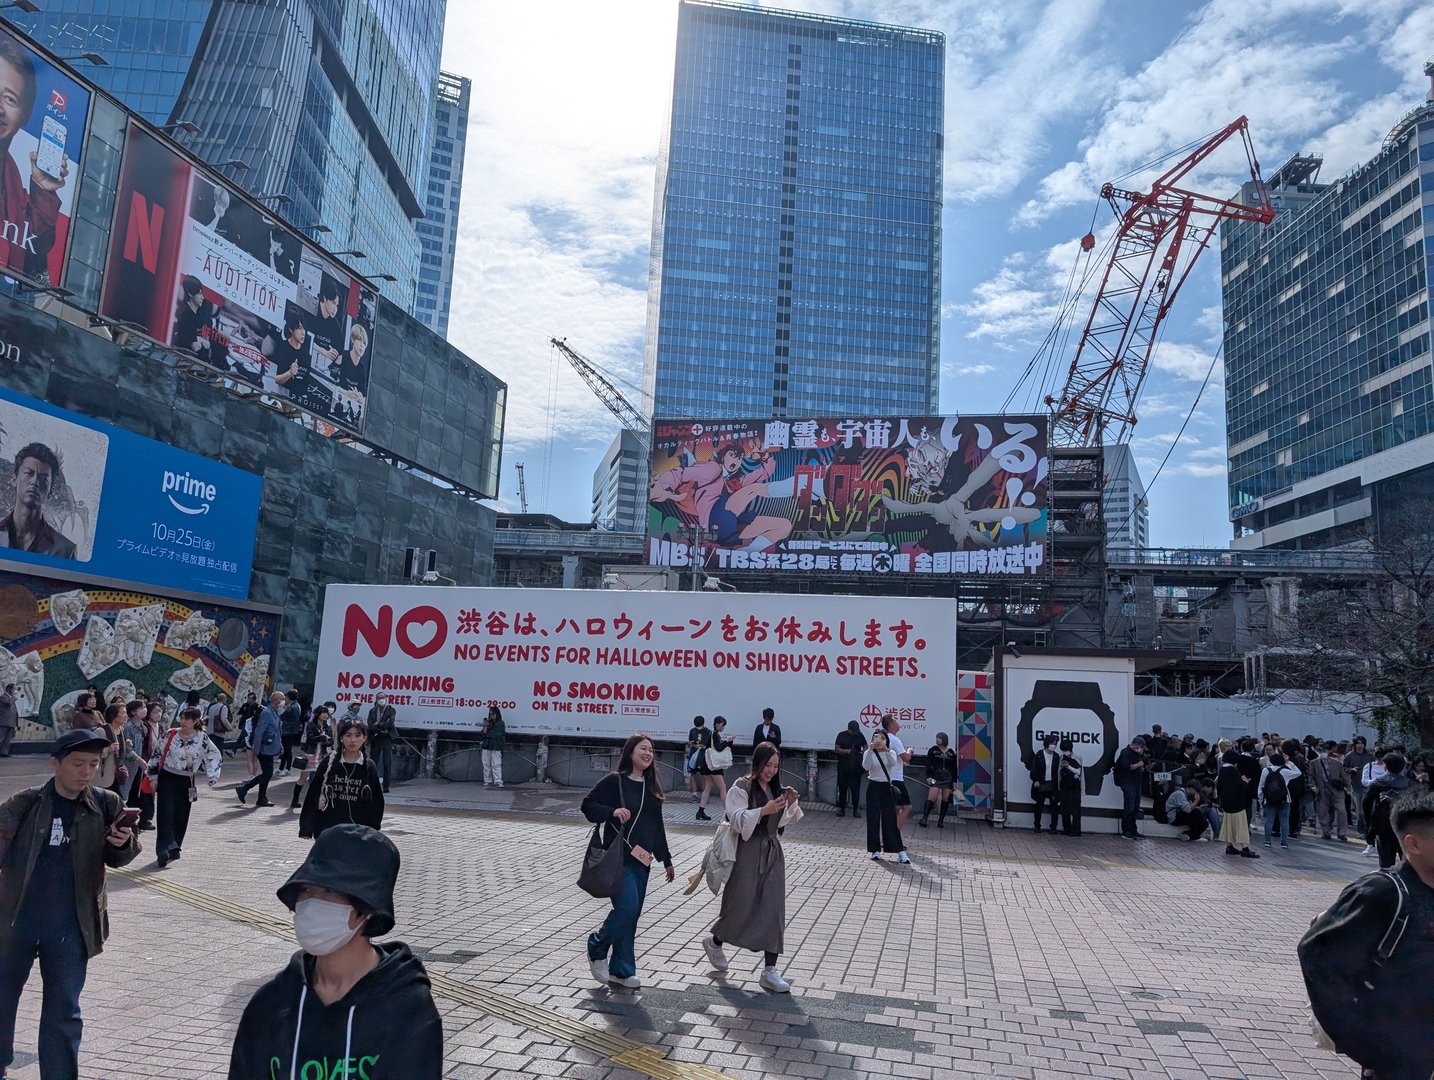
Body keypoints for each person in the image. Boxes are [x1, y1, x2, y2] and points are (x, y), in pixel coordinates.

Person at [227, 824, 443, 1079]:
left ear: (367, 908)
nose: (312, 903)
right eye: (307, 890)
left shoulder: (407, 1010)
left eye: (330, 892)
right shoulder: (271, 1003)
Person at [0, 730, 139, 1079]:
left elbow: (121, 857)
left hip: (72, 926)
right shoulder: (25, 803)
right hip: (15, 922)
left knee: (64, 1011)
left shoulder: (106, 803)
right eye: (78, 764)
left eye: (93, 764)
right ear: (55, 764)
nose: (86, 771)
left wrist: (122, 842)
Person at [1299, 791, 1434, 1080]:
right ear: (1414, 843)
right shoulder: (1382, 892)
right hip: (1401, 1056)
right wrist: (1366, 1043)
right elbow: (1319, 957)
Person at [703, 741, 803, 993]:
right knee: (740, 905)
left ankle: (770, 970)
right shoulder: (742, 786)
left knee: (773, 909)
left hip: (771, 852)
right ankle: (715, 941)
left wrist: (788, 803)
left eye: (776, 766)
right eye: (768, 764)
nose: (771, 770)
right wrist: (762, 810)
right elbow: (735, 819)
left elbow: (781, 823)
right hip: (746, 853)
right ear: (758, 763)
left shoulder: (776, 788)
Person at [580, 734, 674, 990]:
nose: (648, 753)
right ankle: (596, 946)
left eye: (651, 750)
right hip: (617, 857)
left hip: (641, 861)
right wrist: (612, 812)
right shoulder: (614, 781)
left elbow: (657, 826)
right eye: (643, 748)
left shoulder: (652, 788)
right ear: (630, 752)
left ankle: (621, 970)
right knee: (627, 909)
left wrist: (666, 859)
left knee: (632, 916)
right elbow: (587, 805)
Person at [0, 37, 66, 279]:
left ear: (25, 114)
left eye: (10, 99)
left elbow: (32, 258)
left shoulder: (11, 175)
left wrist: (43, 190)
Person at [146, 706, 221, 868]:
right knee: (165, 813)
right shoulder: (170, 734)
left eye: (187, 718)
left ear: (195, 721)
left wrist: (212, 774)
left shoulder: (202, 738)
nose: (183, 721)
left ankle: (175, 846)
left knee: (181, 815)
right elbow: (156, 754)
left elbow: (214, 755)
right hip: (167, 777)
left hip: (187, 780)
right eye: (182, 718)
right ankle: (163, 849)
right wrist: (152, 776)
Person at [299, 718, 384, 840]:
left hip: (358, 833)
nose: (353, 740)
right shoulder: (329, 763)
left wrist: (373, 830)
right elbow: (313, 794)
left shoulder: (369, 767)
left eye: (357, 735)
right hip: (328, 830)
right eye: (348, 735)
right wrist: (306, 828)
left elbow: (376, 802)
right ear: (341, 738)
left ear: (364, 738)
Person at [0, 443, 77, 559]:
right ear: (15, 479)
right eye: (29, 473)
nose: (35, 482)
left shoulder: (66, 550)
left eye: (43, 478)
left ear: (50, 489)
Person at [1363, 751, 1414, 869]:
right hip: (1404, 826)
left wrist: (1369, 822)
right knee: (1407, 860)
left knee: (1386, 861)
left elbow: (1367, 804)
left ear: (1385, 765)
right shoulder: (1410, 784)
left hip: (1383, 825)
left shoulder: (1378, 783)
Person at [863, 730, 907, 863]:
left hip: (886, 788)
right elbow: (866, 766)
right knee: (873, 819)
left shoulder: (891, 752)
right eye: (876, 738)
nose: (879, 741)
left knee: (890, 820)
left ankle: (899, 850)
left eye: (882, 738)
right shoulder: (868, 752)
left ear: (886, 740)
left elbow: (892, 763)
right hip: (873, 787)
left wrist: (886, 749)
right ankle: (875, 850)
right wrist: (870, 750)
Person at [236, 691, 285, 809]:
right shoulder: (267, 713)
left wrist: (280, 746)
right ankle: (246, 789)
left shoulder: (274, 713)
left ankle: (260, 797)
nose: (284, 702)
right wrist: (256, 750)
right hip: (264, 749)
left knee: (267, 774)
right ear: (276, 700)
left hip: (271, 748)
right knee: (267, 773)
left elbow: (276, 732)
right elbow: (259, 731)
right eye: (282, 699)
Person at [1217, 749, 1260, 859]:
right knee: (1241, 825)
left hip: (1226, 801)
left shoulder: (1222, 769)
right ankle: (1245, 848)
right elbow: (1240, 787)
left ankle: (1229, 846)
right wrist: (1245, 781)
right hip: (1237, 802)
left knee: (1228, 824)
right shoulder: (1233, 770)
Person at [290, 704, 334, 810]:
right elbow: (310, 738)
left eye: (326, 713)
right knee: (303, 778)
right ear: (318, 714)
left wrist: (328, 741)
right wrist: (321, 737)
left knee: (319, 779)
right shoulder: (311, 724)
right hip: (310, 754)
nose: (325, 715)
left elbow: (330, 740)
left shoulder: (327, 727)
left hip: (321, 755)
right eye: (323, 713)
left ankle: (315, 801)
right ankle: (295, 799)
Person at [1259, 752, 1301, 849]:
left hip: (1269, 798)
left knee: (1269, 820)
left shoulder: (1266, 770)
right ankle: (1284, 843)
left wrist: (1261, 799)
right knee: (1284, 820)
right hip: (1284, 798)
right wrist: (1289, 763)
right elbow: (1298, 773)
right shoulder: (1285, 771)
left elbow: (1261, 785)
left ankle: (1267, 841)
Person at [880, 712, 914, 830]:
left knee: (889, 809)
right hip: (896, 779)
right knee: (907, 807)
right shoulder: (894, 740)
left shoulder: (883, 739)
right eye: (896, 722)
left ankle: (888, 838)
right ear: (890, 726)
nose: (898, 724)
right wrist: (909, 751)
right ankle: (893, 836)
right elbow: (905, 757)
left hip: (885, 778)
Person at [1310, 742, 1350, 842]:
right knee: (1323, 812)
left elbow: (1344, 777)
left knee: (1342, 811)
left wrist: (1347, 787)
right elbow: (1311, 777)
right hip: (1322, 790)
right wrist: (1313, 786)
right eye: (1321, 751)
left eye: (1325, 751)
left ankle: (1341, 833)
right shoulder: (1313, 763)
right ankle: (1326, 831)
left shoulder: (1337, 763)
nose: (1323, 753)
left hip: (1337, 791)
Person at [695, 715, 732, 822]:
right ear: (717, 724)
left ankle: (700, 811)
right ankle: (728, 813)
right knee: (722, 787)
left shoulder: (711, 733)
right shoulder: (715, 734)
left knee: (708, 786)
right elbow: (719, 748)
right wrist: (727, 741)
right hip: (714, 765)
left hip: (707, 764)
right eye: (722, 724)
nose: (723, 727)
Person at [1113, 736, 1147, 839]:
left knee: (1136, 807)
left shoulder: (1138, 754)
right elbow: (1127, 766)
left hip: (1136, 782)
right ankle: (1126, 830)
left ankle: (1133, 829)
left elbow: (1146, 759)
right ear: (1136, 745)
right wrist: (1139, 764)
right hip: (1127, 782)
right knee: (1129, 807)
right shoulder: (1125, 753)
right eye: (1140, 747)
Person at [920, 733, 956, 829]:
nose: (937, 740)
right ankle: (924, 818)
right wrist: (928, 776)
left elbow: (954, 768)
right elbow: (928, 764)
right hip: (935, 777)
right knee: (931, 797)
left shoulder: (951, 752)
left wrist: (954, 782)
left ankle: (941, 821)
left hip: (948, 778)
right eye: (936, 738)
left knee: (945, 799)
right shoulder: (933, 750)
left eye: (939, 738)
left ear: (944, 739)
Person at [1028, 732, 1061, 834]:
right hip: (1041, 784)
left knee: (1054, 806)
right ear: (1047, 743)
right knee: (1039, 806)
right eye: (1052, 743)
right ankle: (1037, 825)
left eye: (1055, 743)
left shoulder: (1056, 756)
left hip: (1053, 784)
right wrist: (1035, 780)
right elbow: (1034, 769)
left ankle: (1053, 827)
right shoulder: (1039, 755)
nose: (1054, 745)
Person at [833, 720, 867, 818]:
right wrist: (846, 751)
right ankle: (841, 809)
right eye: (854, 731)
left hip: (856, 767)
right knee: (842, 788)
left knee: (855, 789)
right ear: (849, 729)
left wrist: (863, 752)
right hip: (843, 766)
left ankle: (856, 809)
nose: (855, 733)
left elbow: (865, 745)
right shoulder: (841, 735)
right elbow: (836, 748)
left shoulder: (859, 735)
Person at [367, 694, 397, 793]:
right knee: (373, 761)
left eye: (383, 698)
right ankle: (372, 784)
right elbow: (370, 726)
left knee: (387, 762)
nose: (381, 700)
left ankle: (386, 786)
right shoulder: (372, 711)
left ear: (386, 698)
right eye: (379, 698)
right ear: (376, 699)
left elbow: (390, 722)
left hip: (387, 737)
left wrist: (379, 724)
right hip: (376, 737)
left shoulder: (391, 709)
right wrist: (380, 725)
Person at [1057, 739, 1084, 837]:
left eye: (1066, 750)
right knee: (1064, 809)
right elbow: (1058, 772)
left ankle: (1076, 830)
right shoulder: (1061, 758)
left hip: (1075, 786)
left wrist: (1068, 767)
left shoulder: (1077, 758)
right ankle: (1066, 829)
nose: (1064, 752)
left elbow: (1079, 772)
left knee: (1075, 809)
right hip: (1064, 786)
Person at [278, 689, 304, 775]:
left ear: (289, 697)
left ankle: (287, 768)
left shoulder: (292, 707)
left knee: (287, 751)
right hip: (290, 731)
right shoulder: (297, 706)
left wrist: (282, 708)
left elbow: (281, 717)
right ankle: (281, 768)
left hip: (288, 731)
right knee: (286, 751)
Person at [684, 715, 708, 804]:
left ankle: (704, 796)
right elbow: (689, 742)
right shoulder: (692, 731)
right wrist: (692, 744)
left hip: (703, 755)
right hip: (693, 755)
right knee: (692, 775)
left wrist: (702, 746)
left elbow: (709, 745)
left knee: (704, 775)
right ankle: (694, 795)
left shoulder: (708, 731)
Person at [480, 704, 505, 788]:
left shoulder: (501, 723)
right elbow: (483, 735)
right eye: (490, 714)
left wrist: (488, 734)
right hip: (486, 745)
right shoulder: (488, 723)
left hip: (495, 745)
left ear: (497, 714)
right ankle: (487, 780)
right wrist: (485, 726)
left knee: (496, 764)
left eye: (493, 714)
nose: (492, 716)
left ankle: (498, 781)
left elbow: (497, 734)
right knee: (486, 763)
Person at [238, 691, 261, 779]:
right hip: (254, 740)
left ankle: (252, 774)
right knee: (254, 758)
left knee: (251, 758)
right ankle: (253, 775)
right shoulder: (260, 721)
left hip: (251, 740)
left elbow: (246, 731)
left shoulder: (249, 721)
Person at [205, 693, 233, 758]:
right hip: (218, 732)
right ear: (224, 699)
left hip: (210, 731)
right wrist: (229, 728)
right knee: (219, 751)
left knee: (211, 751)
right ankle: (217, 765)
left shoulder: (211, 707)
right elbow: (224, 719)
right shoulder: (223, 707)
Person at [0, 683, 16, 756]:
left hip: (11, 722)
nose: (15, 691)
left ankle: (4, 752)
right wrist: (13, 697)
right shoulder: (3, 697)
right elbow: (8, 703)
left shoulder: (11, 698)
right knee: (1, 737)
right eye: (14, 689)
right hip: (4, 722)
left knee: (8, 739)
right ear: (9, 689)